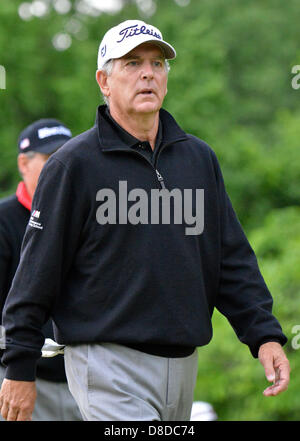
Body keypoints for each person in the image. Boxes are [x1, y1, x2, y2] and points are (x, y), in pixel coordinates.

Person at [0, 20, 290, 421]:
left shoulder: (198, 159)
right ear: (104, 80)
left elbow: (230, 258)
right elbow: (35, 274)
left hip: (185, 364)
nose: (148, 73)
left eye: (157, 63)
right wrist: (19, 365)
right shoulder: (73, 165)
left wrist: (264, 336)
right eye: (132, 63)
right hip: (106, 362)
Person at [0, 119, 82, 421]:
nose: (62, 169)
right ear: (24, 163)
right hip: (23, 379)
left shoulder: (90, 219)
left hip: (88, 379)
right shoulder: (4, 220)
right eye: (51, 160)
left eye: (67, 159)